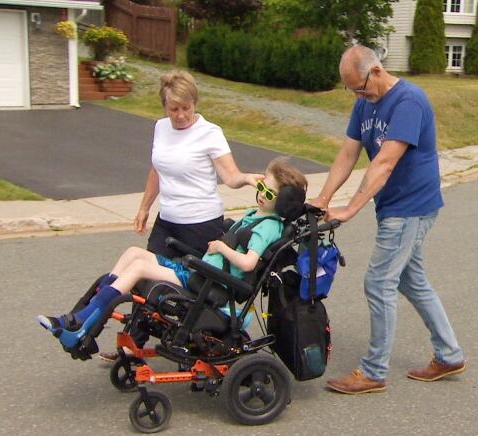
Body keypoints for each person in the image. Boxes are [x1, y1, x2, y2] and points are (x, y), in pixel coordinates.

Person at [311, 45, 465, 395]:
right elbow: (349, 152)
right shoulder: (364, 103)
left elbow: (384, 163)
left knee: (379, 282)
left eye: (360, 88)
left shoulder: (409, 101)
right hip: (393, 204)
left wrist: (349, 209)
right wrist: (323, 198)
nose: (357, 96)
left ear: (377, 71)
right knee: (412, 280)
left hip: (410, 206)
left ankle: (373, 370)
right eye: (352, 91)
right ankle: (450, 354)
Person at [37, 158, 308, 347]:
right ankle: (83, 316)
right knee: (133, 252)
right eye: (261, 186)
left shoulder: (268, 227)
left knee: (139, 269)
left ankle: (83, 323)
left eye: (268, 192)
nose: (261, 193)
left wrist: (223, 248)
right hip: (200, 272)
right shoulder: (254, 214)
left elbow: (249, 264)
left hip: (209, 282)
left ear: (282, 202)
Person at [102, 70, 261, 362]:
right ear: (164, 107)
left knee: (196, 290)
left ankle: (203, 342)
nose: (181, 115)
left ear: (194, 103)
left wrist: (247, 178)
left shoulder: (210, 133)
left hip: (202, 225)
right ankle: (131, 347)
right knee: (142, 278)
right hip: (168, 222)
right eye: (174, 109)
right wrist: (144, 207)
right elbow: (157, 169)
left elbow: (229, 175)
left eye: (186, 108)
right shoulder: (161, 128)